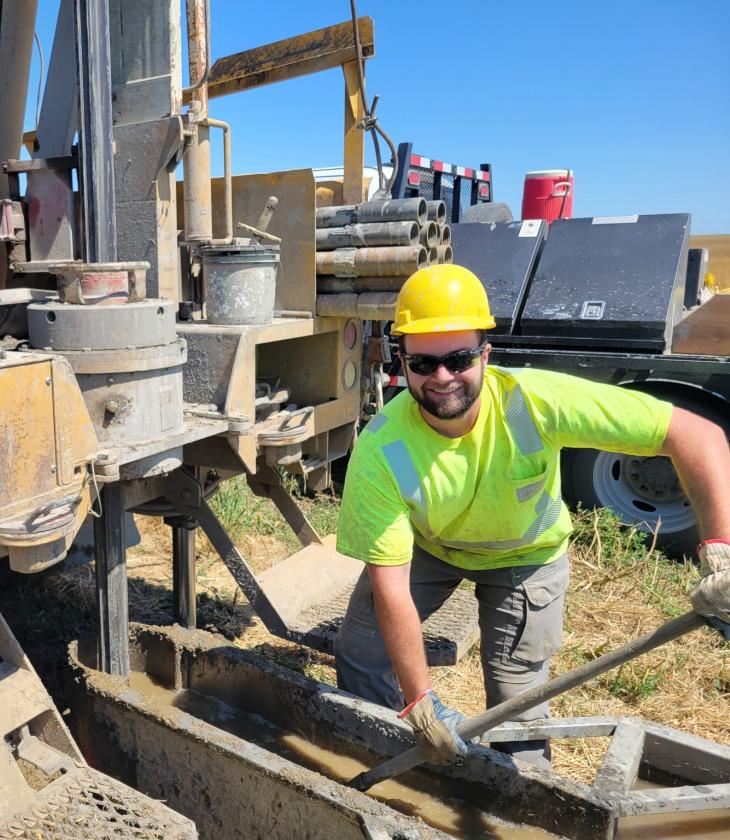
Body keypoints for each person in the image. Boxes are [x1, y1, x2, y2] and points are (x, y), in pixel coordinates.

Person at [334, 264, 730, 769]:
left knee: (515, 705)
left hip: (526, 559)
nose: (442, 378)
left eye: (458, 359)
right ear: (402, 362)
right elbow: (391, 586)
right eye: (424, 364)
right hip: (431, 549)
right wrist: (419, 703)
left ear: (485, 354)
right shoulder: (382, 447)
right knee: (362, 651)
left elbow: (697, 436)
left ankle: (521, 802)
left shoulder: (531, 404)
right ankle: (385, 759)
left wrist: (720, 553)